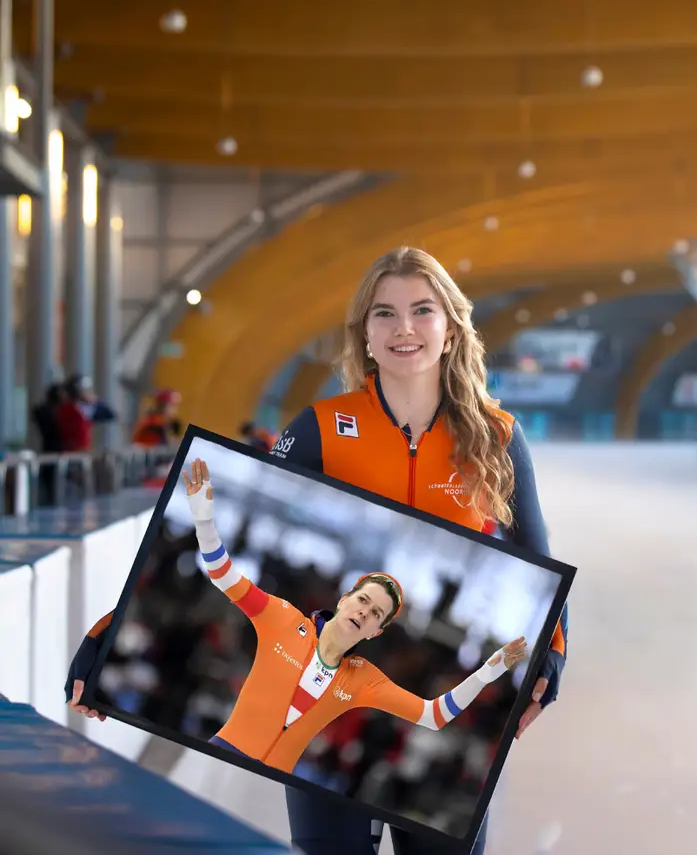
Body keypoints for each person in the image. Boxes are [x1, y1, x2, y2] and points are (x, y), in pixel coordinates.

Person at [67, 246, 569, 855]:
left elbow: (537, 555)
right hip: (308, 758)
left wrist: (550, 659)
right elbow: (216, 565)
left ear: (452, 326)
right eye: (384, 313)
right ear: (364, 333)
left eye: (422, 310)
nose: (403, 328)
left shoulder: (497, 436)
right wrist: (105, 634)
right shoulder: (320, 427)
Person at [182, 457, 527, 774]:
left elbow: (433, 715)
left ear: (376, 631)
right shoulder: (283, 618)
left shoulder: (363, 679)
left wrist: (489, 671)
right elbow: (223, 574)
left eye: (376, 613)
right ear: (344, 599)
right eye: (363, 600)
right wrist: (203, 520)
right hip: (220, 755)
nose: (365, 611)